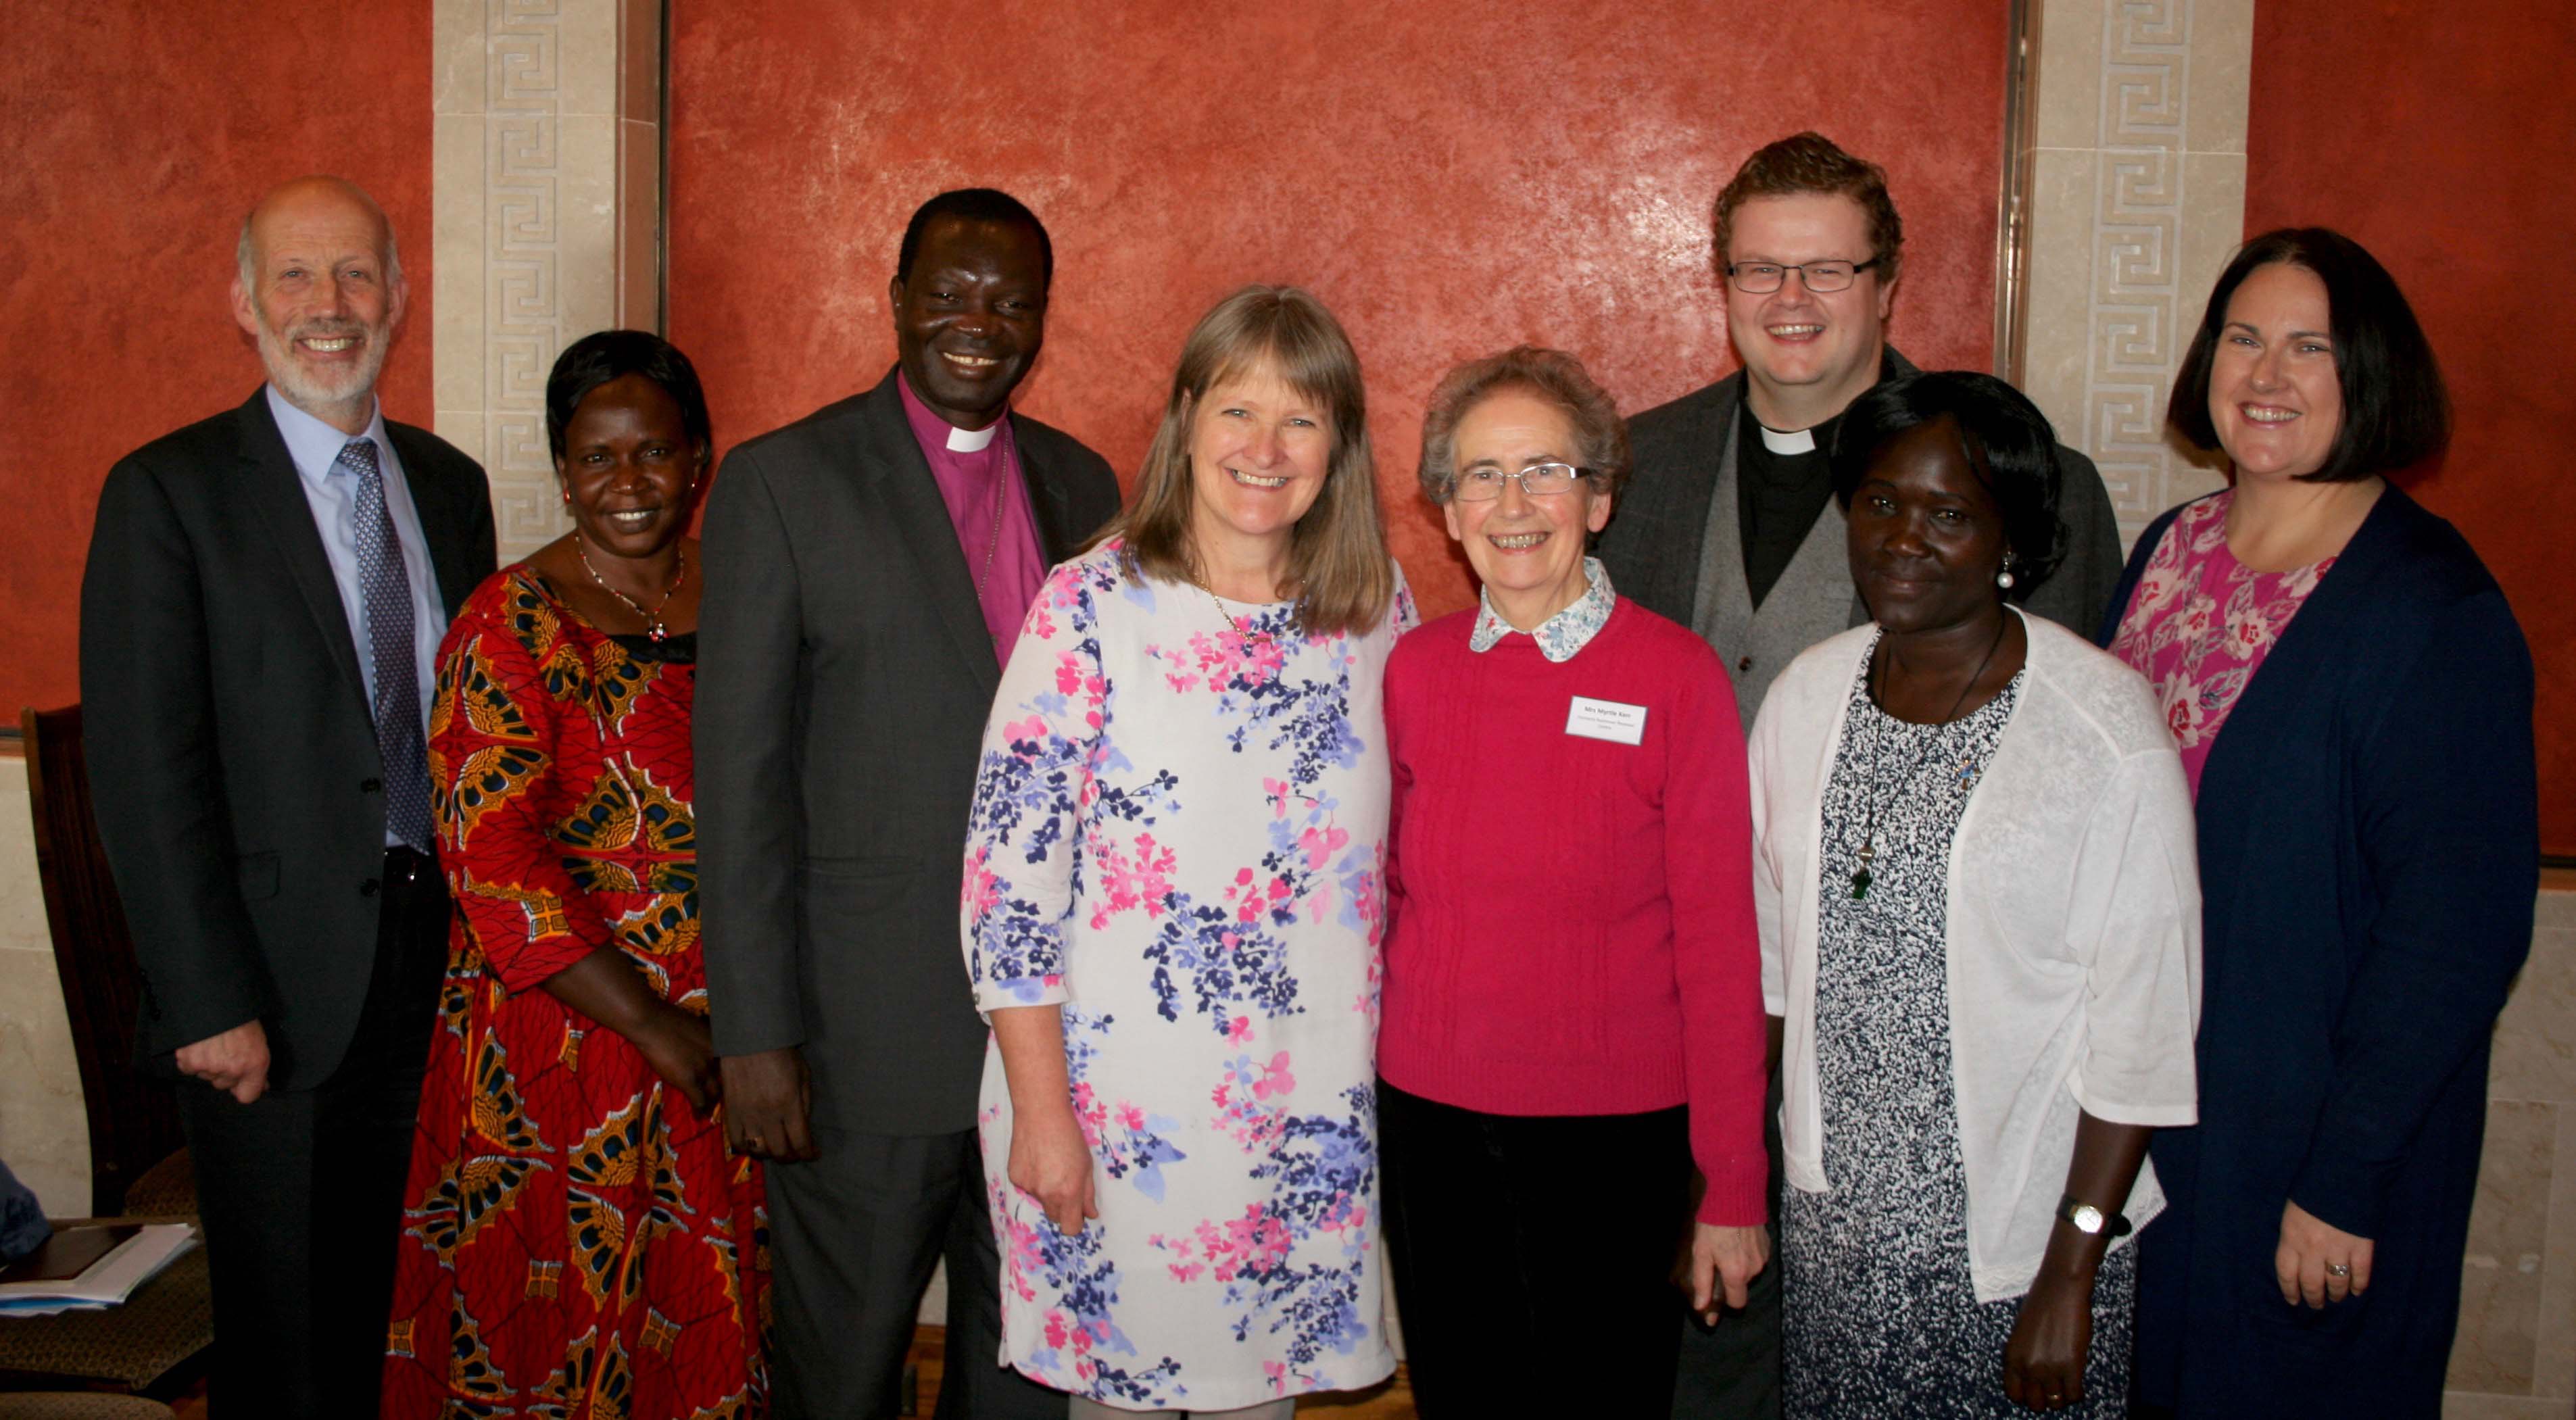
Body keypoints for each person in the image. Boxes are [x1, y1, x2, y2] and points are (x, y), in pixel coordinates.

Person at [1596, 132, 2129, 1417]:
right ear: (1718, 282)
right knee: (1682, 1346)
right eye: (1760, 269)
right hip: (1663, 1010)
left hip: (1921, 1056)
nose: (1792, 302)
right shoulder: (1632, 465)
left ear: (1890, 285)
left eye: (1828, 271)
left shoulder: (2014, 480)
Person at [696, 187, 1122, 1419]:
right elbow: (741, 784)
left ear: (1042, 319)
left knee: (1023, 1376)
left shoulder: (1080, 478)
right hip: (859, 1044)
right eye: (947, 293)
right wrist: (755, 1035)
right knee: (844, 1375)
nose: (975, 322)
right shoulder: (784, 481)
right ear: (895, 301)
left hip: (1047, 1050)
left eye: (1008, 301)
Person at [78, 175, 495, 1417]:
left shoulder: (448, 482)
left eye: (358, 274)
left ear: (401, 298)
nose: (331, 305)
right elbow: (149, 778)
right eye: (298, 277)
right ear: (244, 304)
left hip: (431, 962)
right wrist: (209, 1000)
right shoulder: (170, 493)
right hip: (269, 987)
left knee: (400, 1303)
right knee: (287, 1341)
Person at [2107, 229, 2537, 1418]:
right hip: (2155, 1135)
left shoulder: (2431, 609)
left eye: (2312, 347)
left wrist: (2346, 1179)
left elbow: (2458, 934)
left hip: (2311, 1158)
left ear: (2373, 374)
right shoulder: (2170, 553)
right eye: (2245, 338)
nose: (2267, 374)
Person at [962, 285, 1410, 1417]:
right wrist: (1044, 1113)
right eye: (1237, 410)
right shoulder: (1091, 606)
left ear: (1339, 446)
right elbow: (1008, 886)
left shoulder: (1374, 613)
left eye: (1301, 419)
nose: (1265, 448)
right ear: (1185, 419)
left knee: (1259, 1403)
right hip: (1121, 1121)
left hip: (1305, 1117)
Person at [1750, 370, 2200, 1417]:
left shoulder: (2104, 731)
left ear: (2011, 538)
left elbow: (2141, 1032)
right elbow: (1773, 970)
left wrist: (2071, 1271)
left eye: (1949, 513)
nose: (1903, 537)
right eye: (1880, 502)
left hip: (2023, 1248)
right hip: (1840, 1246)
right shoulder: (1806, 694)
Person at [380, 331, 768, 1417]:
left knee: (707, 1315)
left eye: (655, 452)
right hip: (564, 1044)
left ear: (700, 459)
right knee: (563, 1331)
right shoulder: (505, 623)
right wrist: (654, 1024)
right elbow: (493, 862)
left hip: (738, 1026)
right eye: (598, 458)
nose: (629, 483)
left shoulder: (750, 591)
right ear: (562, 471)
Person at [1376, 346, 1768, 1417]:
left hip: (1613, 1139)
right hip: (1432, 1121)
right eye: (1481, 476)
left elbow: (1725, 946)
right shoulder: (1414, 669)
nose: (1514, 503)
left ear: (1596, 500)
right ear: (1447, 510)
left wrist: (1732, 1183)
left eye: (1544, 470)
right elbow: (1393, 899)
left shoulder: (1676, 677)